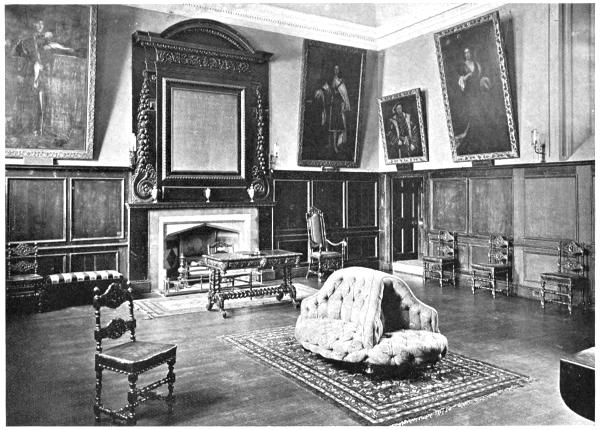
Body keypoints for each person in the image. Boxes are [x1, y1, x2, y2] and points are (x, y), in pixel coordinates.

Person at [14, 18, 74, 136]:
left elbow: (53, 49)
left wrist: (64, 49)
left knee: (42, 102)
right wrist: (23, 73)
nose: (41, 25)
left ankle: (40, 129)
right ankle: (31, 129)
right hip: (30, 76)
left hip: (42, 76)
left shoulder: (45, 41)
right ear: (33, 24)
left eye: (42, 24)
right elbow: (22, 57)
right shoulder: (26, 41)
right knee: (30, 102)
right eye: (38, 23)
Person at [454, 47, 492, 153]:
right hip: (468, 93)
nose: (467, 54)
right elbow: (460, 81)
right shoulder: (462, 66)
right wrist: (466, 76)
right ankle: (470, 136)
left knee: (479, 112)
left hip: (477, 92)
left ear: (472, 53)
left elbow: (481, 77)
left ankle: (479, 135)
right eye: (465, 53)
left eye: (469, 52)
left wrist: (484, 83)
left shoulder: (477, 64)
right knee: (471, 112)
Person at [327, 65, 351, 153]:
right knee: (332, 126)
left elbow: (344, 94)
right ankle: (331, 144)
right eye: (335, 69)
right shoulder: (333, 79)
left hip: (339, 105)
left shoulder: (341, 80)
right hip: (333, 105)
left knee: (338, 126)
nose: (336, 70)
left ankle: (337, 144)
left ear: (339, 70)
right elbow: (331, 91)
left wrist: (344, 104)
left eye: (337, 69)